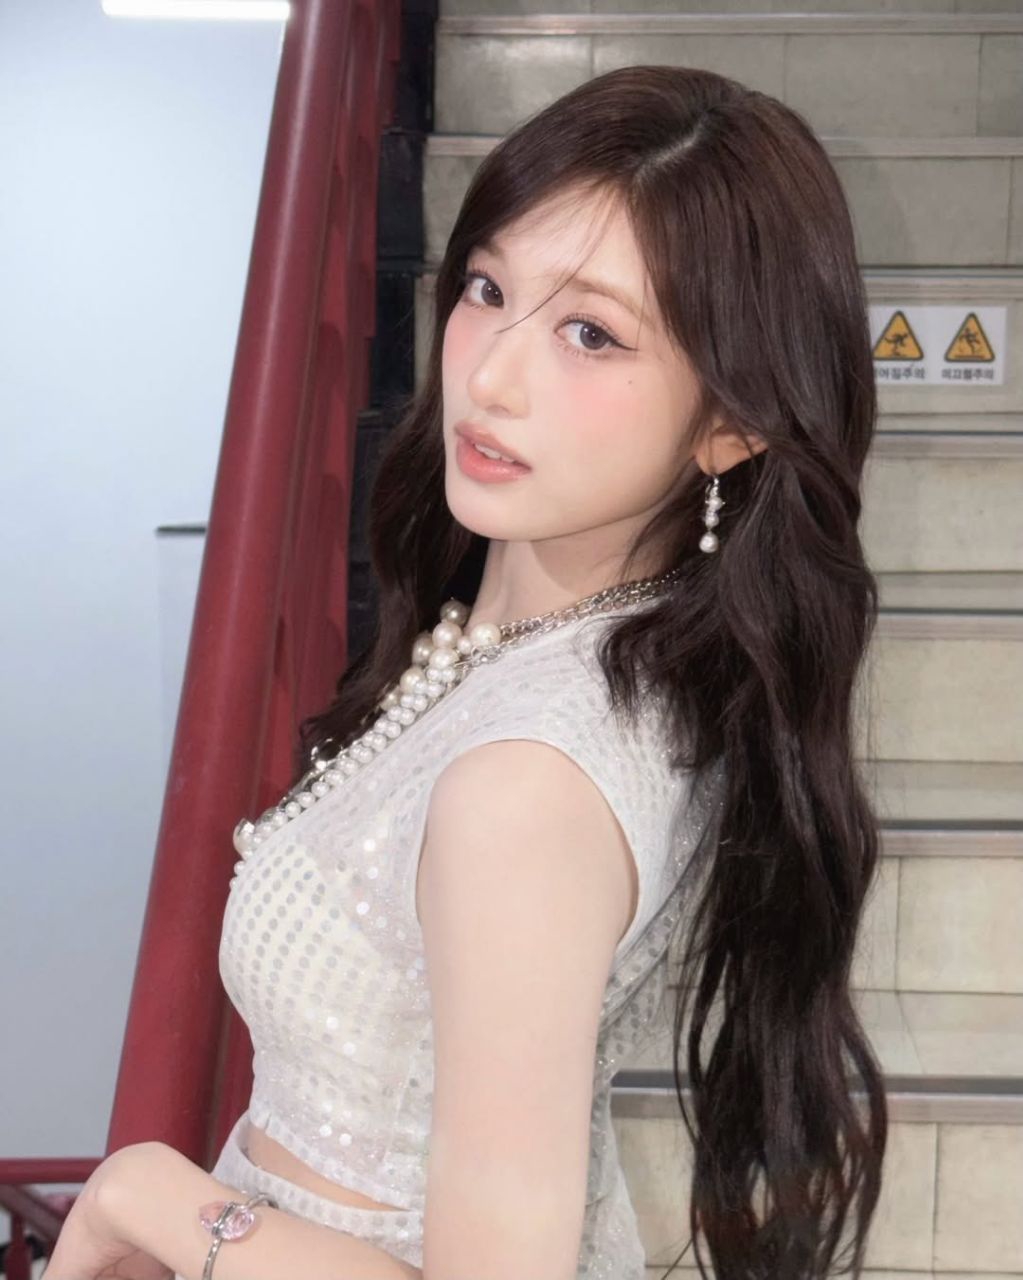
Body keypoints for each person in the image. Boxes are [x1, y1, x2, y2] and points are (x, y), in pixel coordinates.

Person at [46, 62, 888, 1280]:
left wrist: (156, 1197)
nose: (489, 375)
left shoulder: (526, 782)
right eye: (488, 289)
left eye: (591, 333)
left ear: (732, 423)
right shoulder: (568, 650)